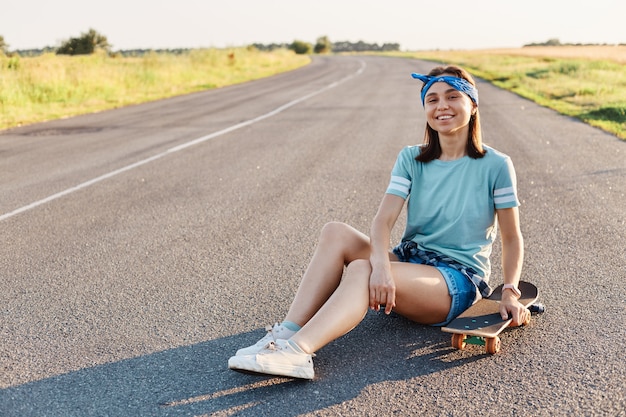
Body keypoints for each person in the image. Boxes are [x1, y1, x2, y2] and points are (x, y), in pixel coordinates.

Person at [228, 65, 529, 380]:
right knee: (336, 232)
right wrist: (384, 269)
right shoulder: (412, 159)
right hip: (411, 258)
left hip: (456, 279)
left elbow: (511, 237)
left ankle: (298, 353)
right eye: (433, 99)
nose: (442, 106)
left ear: (473, 104)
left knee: (361, 268)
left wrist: (510, 291)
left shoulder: (496, 165)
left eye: (453, 97)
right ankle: (284, 336)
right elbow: (382, 222)